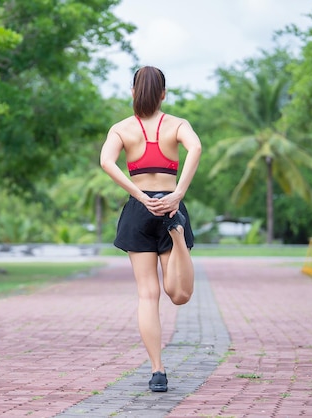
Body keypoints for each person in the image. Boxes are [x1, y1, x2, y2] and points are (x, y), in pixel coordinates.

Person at [100, 66, 202, 392]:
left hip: (139, 209)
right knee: (179, 295)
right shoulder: (177, 125)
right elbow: (196, 148)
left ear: (133, 92)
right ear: (163, 93)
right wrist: (179, 192)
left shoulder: (121, 129)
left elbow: (106, 162)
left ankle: (158, 370)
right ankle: (177, 235)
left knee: (148, 294)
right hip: (171, 205)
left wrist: (140, 195)